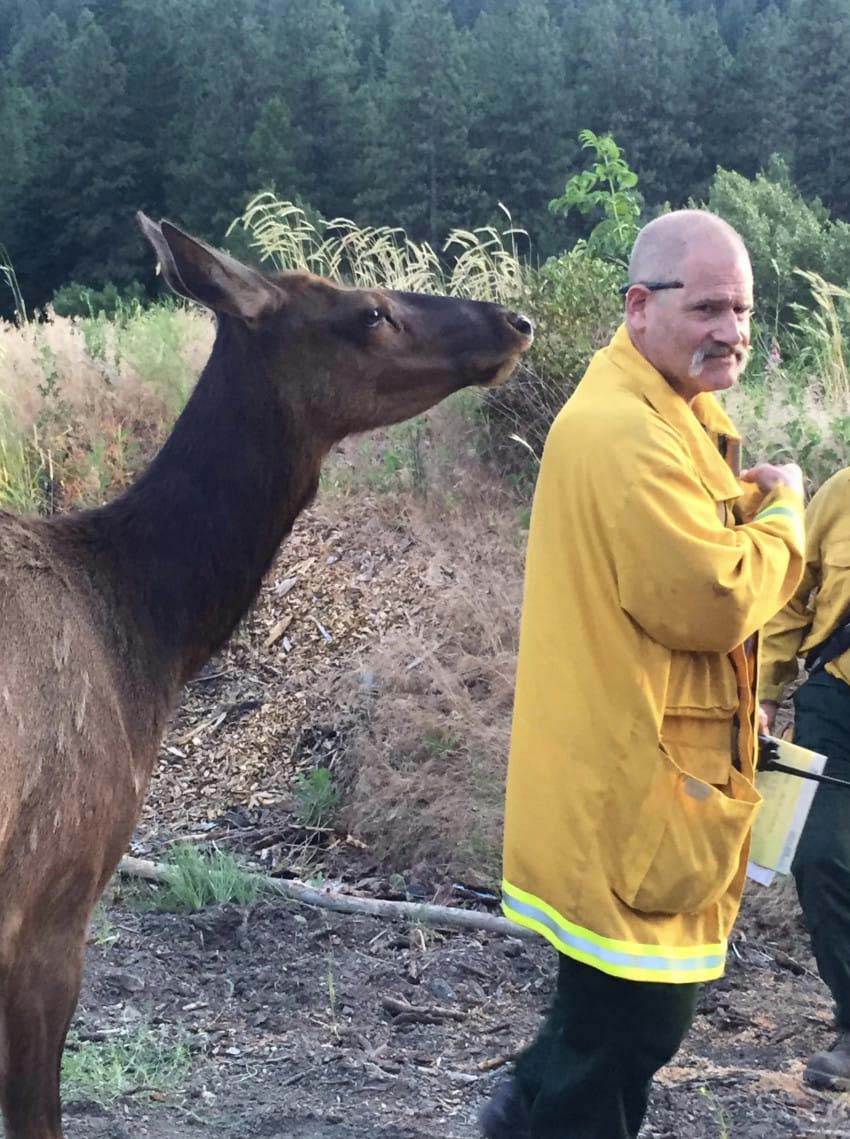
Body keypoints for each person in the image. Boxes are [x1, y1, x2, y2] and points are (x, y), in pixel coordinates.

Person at [480, 210, 806, 1139]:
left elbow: (683, 540)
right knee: (629, 1030)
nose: (732, 332)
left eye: (742, 310)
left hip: (640, 784)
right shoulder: (625, 431)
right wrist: (783, 516)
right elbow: (713, 595)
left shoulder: (663, 411)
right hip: (631, 797)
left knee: (601, 1024)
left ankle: (514, 1115)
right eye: (707, 306)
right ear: (638, 307)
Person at [760, 467, 850, 1090]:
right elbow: (794, 593)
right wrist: (765, 690)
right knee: (820, 856)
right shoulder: (842, 491)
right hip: (835, 698)